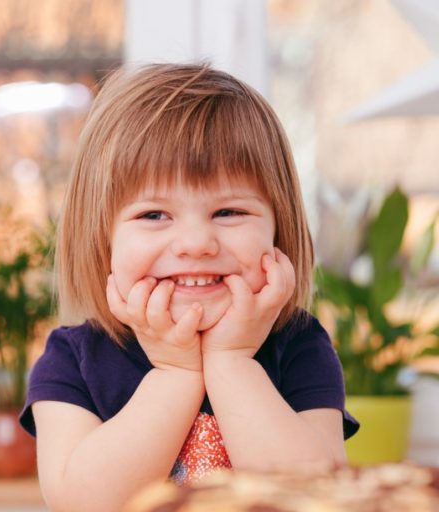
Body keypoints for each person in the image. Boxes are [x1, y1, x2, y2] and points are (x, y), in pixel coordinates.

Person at [18, 63, 359, 512]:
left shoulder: (299, 346)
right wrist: (175, 374)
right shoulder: (72, 361)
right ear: (103, 239)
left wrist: (232, 362)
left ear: (279, 231)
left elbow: (318, 497)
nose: (197, 244)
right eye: (154, 215)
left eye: (229, 212)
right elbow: (83, 502)